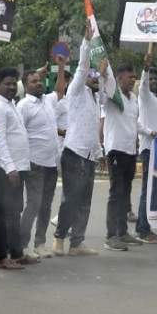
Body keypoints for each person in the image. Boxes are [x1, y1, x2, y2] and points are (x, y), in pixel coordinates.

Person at [53, 32, 113, 256]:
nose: (94, 76)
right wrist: (87, 42)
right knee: (70, 199)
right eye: (92, 73)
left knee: (85, 201)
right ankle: (59, 238)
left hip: (89, 155)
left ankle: (77, 242)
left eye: (96, 75)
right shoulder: (76, 91)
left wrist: (105, 73)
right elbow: (81, 66)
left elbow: (108, 96)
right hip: (74, 152)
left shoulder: (96, 97)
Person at [0, 67, 36, 270]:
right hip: (3, 170)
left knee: (14, 212)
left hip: (16, 168)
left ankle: (16, 253)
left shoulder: (10, 105)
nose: (12, 87)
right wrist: (10, 168)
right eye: (7, 83)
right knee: (4, 213)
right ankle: (1, 257)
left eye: (14, 83)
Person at [17, 60, 65, 258]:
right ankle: (21, 246)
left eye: (39, 80)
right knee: (34, 204)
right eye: (34, 81)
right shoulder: (23, 106)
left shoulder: (48, 100)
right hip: (34, 163)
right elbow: (19, 135)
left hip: (51, 163)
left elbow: (60, 90)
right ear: (26, 86)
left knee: (45, 205)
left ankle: (40, 243)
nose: (38, 83)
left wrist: (61, 68)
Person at [103, 63, 140, 251]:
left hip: (130, 151)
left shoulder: (133, 98)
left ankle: (123, 232)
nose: (133, 80)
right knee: (116, 193)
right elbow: (105, 86)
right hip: (116, 150)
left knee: (125, 194)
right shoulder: (112, 96)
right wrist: (103, 72)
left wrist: (150, 132)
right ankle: (111, 236)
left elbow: (135, 123)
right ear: (119, 79)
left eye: (134, 77)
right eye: (129, 77)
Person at [135, 51, 157, 244]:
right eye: (151, 78)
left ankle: (149, 225)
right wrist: (145, 69)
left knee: (156, 190)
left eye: (156, 78)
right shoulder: (145, 96)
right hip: (149, 149)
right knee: (147, 190)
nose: (153, 81)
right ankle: (142, 229)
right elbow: (144, 86)